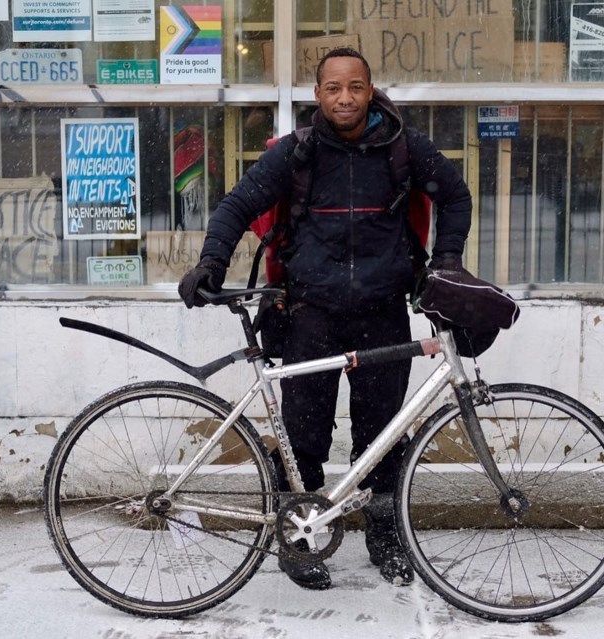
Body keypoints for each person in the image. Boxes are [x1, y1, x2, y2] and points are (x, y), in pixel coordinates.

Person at [178, 48, 471, 590]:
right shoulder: (297, 153)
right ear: (317, 95)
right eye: (333, 88)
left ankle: (384, 536)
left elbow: (455, 196)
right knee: (304, 436)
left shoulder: (403, 148)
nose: (344, 97)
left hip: (384, 313)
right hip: (309, 314)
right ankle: (299, 539)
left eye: (354, 87)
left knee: (381, 437)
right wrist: (212, 261)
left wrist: (446, 261)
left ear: (369, 90)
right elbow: (236, 205)